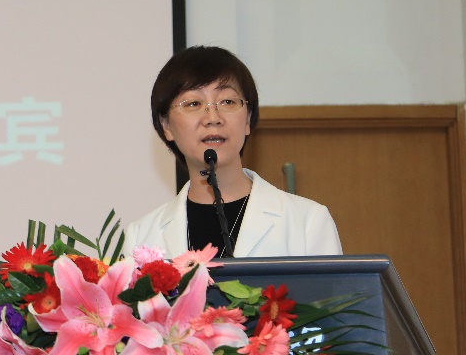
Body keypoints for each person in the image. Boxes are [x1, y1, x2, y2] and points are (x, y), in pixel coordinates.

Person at [122, 46, 341, 259]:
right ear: (166, 126)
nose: (213, 118)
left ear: (247, 119)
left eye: (227, 101)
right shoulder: (142, 236)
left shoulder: (308, 222)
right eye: (193, 103)